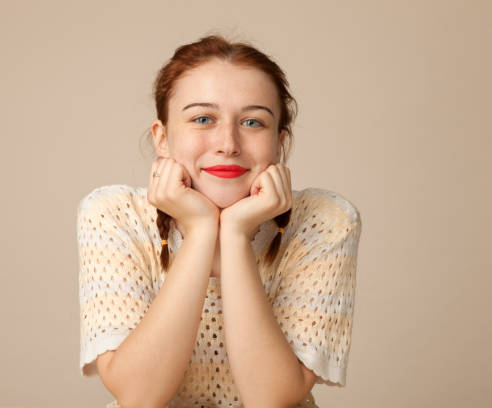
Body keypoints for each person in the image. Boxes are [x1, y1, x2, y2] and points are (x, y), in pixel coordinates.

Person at [77, 34, 363, 408]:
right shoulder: (112, 215)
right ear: (162, 139)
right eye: (202, 118)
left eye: (252, 122)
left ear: (281, 143)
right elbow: (138, 397)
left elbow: (271, 400)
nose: (228, 143)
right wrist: (199, 232)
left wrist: (236, 236)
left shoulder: (324, 222)